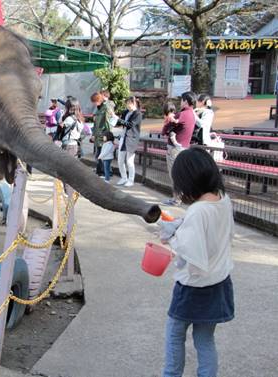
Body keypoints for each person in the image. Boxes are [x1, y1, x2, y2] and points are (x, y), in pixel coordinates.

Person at [159, 148, 234, 377]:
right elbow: (212, 234)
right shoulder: (223, 199)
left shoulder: (198, 211)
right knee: (204, 340)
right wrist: (183, 225)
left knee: (174, 335)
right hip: (218, 283)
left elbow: (188, 252)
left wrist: (172, 235)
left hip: (193, 287)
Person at [161, 91, 197, 206]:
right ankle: (179, 198)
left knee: (174, 175)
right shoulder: (192, 114)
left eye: (182, 100)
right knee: (180, 174)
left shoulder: (183, 113)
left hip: (175, 149)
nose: (180, 103)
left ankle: (176, 199)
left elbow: (166, 128)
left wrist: (169, 123)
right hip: (184, 148)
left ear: (185, 101)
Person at [114, 96, 142, 187]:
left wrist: (118, 119)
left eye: (128, 103)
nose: (127, 105)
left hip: (132, 139)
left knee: (129, 161)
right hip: (123, 138)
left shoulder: (138, 114)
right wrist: (114, 118)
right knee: (120, 160)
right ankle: (123, 178)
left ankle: (131, 180)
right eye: (126, 103)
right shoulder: (125, 112)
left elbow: (130, 125)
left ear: (133, 103)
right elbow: (119, 123)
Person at [90, 92, 116, 177]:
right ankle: (100, 171)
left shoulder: (106, 107)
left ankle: (106, 172)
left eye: (95, 101)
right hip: (98, 135)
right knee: (99, 154)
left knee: (103, 154)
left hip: (104, 135)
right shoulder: (99, 108)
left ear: (98, 100)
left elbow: (108, 123)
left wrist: (107, 136)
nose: (94, 103)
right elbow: (96, 123)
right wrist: (93, 134)